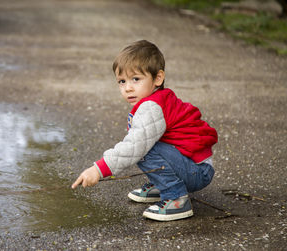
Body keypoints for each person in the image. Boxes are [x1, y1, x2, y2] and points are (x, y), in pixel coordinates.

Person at [71, 40, 218, 221]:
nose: (128, 88)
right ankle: (163, 183)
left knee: (142, 148)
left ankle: (176, 197)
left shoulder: (152, 107)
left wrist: (98, 170)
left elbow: (134, 147)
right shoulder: (156, 100)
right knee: (146, 143)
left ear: (158, 78)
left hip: (196, 171)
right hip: (193, 164)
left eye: (136, 79)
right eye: (122, 81)